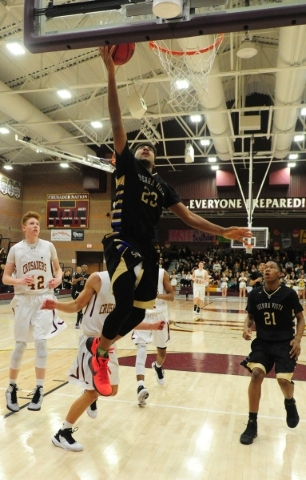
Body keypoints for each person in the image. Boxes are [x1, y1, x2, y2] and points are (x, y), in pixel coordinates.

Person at [87, 45, 252, 397]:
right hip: (121, 242)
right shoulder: (127, 166)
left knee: (134, 315)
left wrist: (224, 231)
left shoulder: (163, 185)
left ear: (157, 161)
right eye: (141, 146)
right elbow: (117, 123)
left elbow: (190, 218)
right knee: (124, 297)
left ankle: (101, 347)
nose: (145, 148)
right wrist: (111, 74)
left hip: (149, 252)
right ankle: (99, 354)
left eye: (150, 148)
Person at [41, 271, 164, 451]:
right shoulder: (98, 279)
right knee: (92, 393)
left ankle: (90, 392)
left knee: (112, 391)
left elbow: (127, 320)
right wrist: (56, 305)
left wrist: (150, 325)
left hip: (108, 343)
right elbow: (77, 304)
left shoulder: (130, 286)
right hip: (91, 341)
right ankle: (62, 433)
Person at [3, 211, 66, 413]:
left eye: (37, 223)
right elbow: (5, 278)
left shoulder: (49, 246)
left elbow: (58, 270)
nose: (36, 226)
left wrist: (58, 279)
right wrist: (19, 280)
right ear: (24, 227)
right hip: (23, 299)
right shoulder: (15, 249)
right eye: (32, 223)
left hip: (43, 298)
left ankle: (39, 388)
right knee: (20, 345)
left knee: (40, 341)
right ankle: (11, 386)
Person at [239, 261, 305, 445]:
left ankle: (289, 401)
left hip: (285, 343)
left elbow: (301, 318)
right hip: (263, 343)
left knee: (283, 380)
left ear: (280, 274)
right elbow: (250, 316)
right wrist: (246, 327)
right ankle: (252, 423)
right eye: (265, 267)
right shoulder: (255, 294)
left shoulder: (288, 294)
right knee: (256, 374)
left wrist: (298, 339)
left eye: (272, 267)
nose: (267, 269)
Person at [131, 268, 174, 406]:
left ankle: (158, 366)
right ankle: (140, 385)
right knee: (141, 348)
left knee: (161, 351)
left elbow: (172, 296)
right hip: (142, 314)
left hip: (160, 314)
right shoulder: (135, 272)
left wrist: (158, 296)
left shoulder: (162, 273)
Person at [71, 264, 89, 329]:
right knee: (79, 308)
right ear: (81, 268)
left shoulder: (89, 276)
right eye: (83, 267)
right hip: (78, 293)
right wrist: (78, 279)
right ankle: (77, 323)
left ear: (87, 268)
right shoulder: (77, 274)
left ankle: (83, 317)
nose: (84, 268)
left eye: (86, 267)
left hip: (86, 294)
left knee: (88, 308)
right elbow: (72, 282)